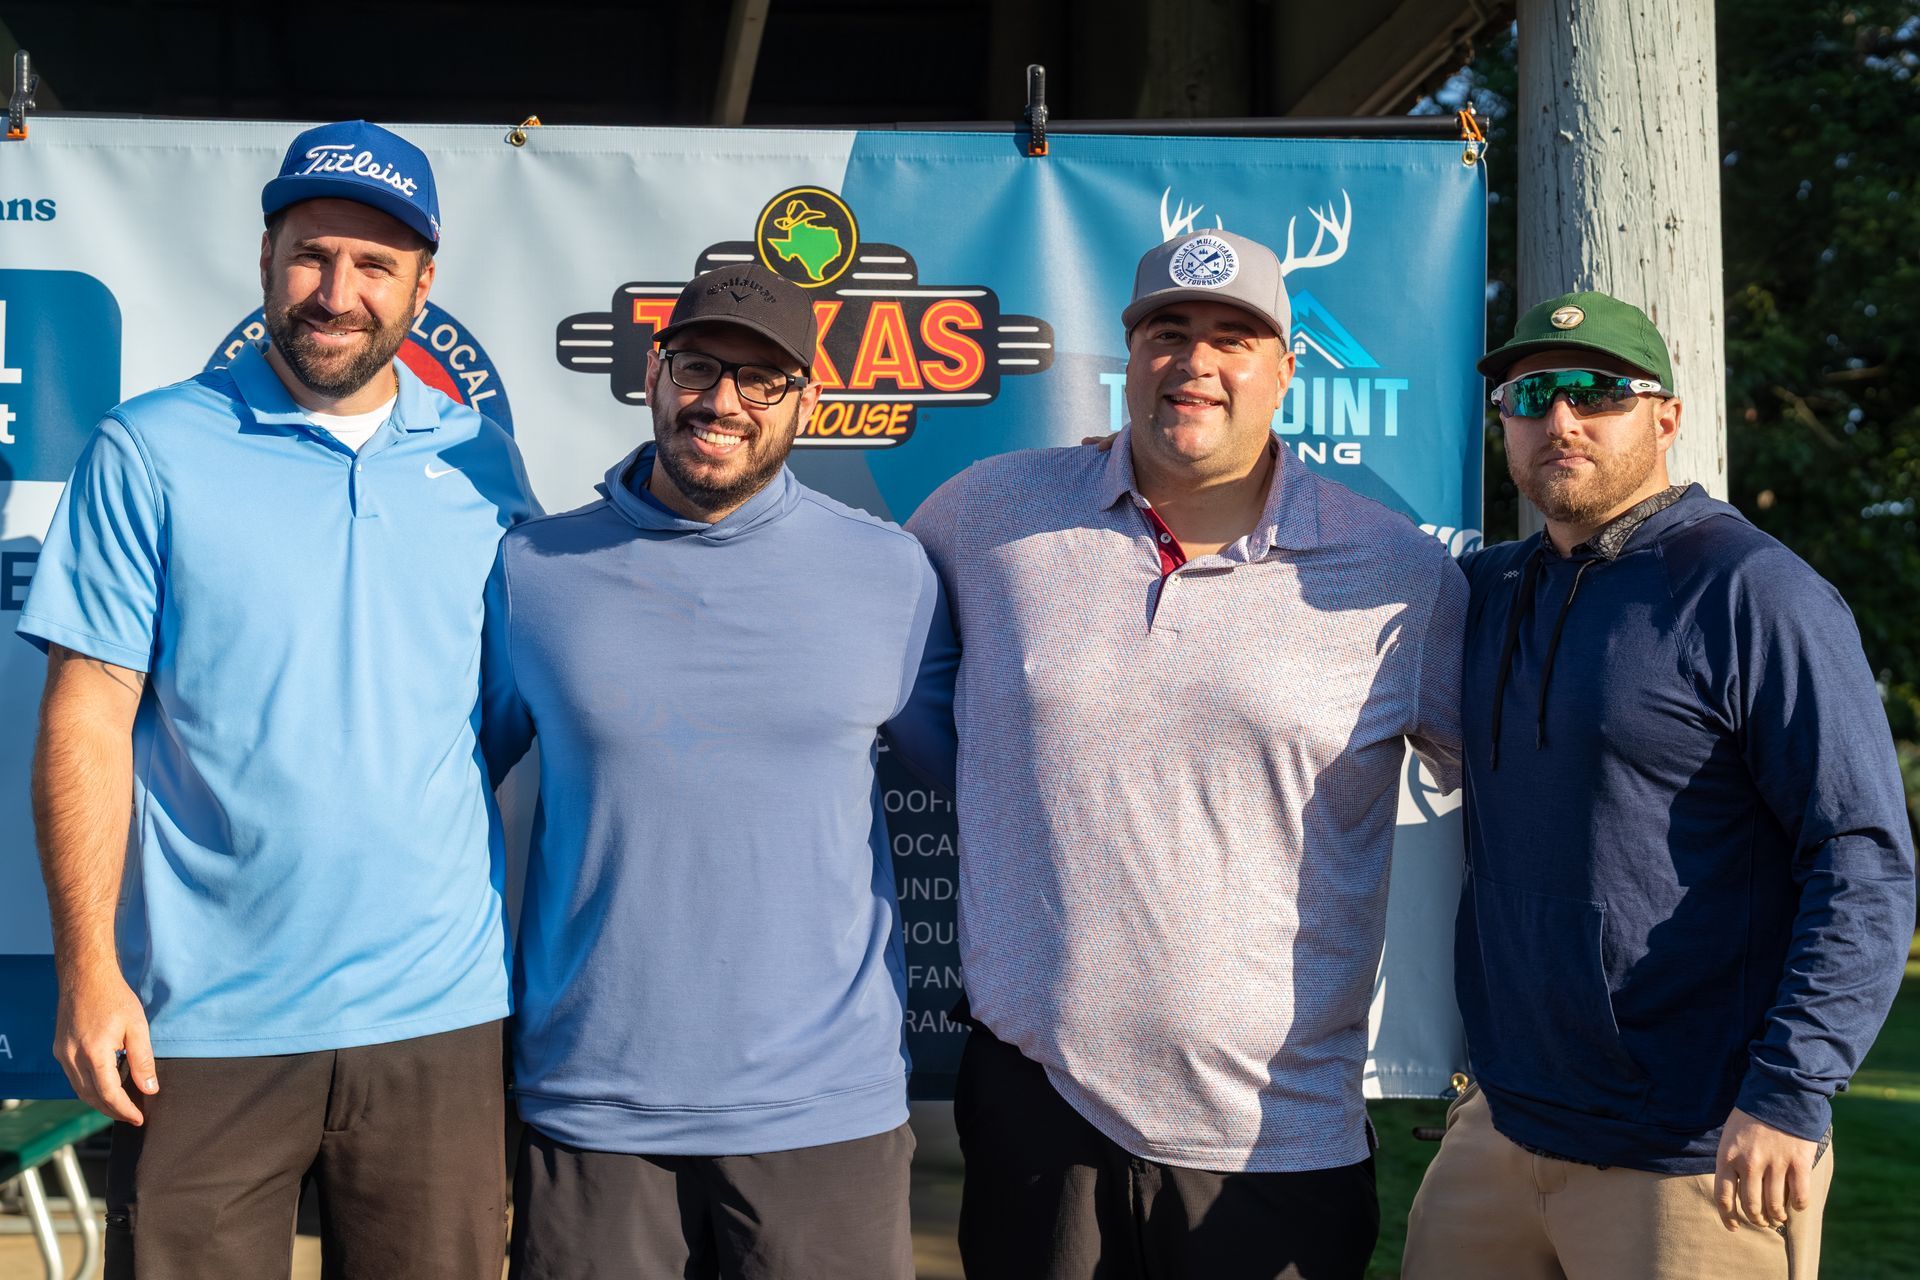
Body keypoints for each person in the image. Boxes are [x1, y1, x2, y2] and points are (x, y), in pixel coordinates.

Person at [20, 120, 536, 1278]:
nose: (337, 293)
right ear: (265, 259)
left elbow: (500, 716)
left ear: (424, 285)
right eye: (312, 255)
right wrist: (88, 968)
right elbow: (88, 715)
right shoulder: (149, 448)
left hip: (436, 1017)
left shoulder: (481, 462)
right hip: (201, 1023)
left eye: (374, 264)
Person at [904, 229, 1466, 1280]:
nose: (1195, 362)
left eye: (1232, 339)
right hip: (1038, 1115)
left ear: (1286, 371)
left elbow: (1530, 789)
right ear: (1130, 355)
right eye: (1168, 331)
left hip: (1277, 1140)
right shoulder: (987, 514)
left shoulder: (1398, 570)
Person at [1401, 290, 1916, 1279]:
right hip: (1501, 1128)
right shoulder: (1487, 591)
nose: (1561, 419)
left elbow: (1861, 856)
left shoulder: (1753, 591)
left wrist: (1789, 1092)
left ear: (1666, 417)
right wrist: (1132, 486)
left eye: (1598, 392)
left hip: (1694, 1150)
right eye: (1531, 395)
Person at [482, 263, 956, 1280]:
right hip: (592, 1106)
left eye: (761, 379)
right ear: (655, 375)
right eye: (698, 366)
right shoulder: (532, 572)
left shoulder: (890, 574)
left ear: (807, 403)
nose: (723, 401)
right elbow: (443, 779)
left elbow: (996, 775)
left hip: (824, 1111)